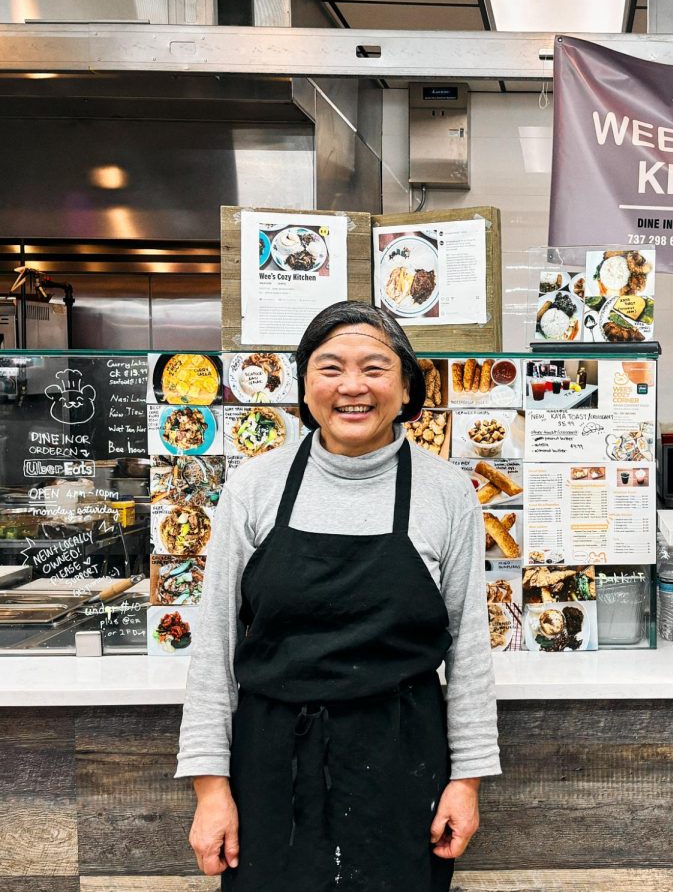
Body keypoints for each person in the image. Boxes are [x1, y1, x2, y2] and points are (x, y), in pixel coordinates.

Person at [177, 301, 499, 891]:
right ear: (304, 386)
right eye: (330, 368)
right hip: (271, 758)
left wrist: (468, 781)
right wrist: (210, 786)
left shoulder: (447, 493)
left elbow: (470, 651)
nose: (353, 386)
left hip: (403, 755)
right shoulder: (255, 486)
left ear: (406, 388)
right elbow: (216, 646)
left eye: (375, 368)